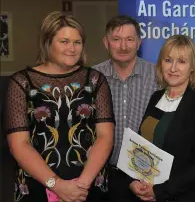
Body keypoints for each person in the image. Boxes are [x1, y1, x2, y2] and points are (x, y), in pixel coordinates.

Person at [3, 11, 114, 202]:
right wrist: (58, 185)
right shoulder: (22, 82)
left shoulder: (95, 80)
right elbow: (19, 145)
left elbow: (105, 137)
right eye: (64, 41)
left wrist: (81, 186)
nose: (72, 48)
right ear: (48, 43)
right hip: (37, 187)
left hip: (88, 188)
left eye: (77, 42)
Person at [128, 35, 195, 201]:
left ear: (192, 67)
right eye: (168, 60)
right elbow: (143, 146)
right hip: (148, 192)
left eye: (182, 61)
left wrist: (160, 191)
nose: (173, 68)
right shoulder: (156, 97)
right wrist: (133, 181)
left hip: (184, 196)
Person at [93, 15, 157, 201]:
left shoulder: (159, 76)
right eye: (116, 39)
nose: (123, 46)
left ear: (139, 42)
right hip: (102, 174)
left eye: (129, 39)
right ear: (106, 42)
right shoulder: (92, 78)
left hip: (146, 177)